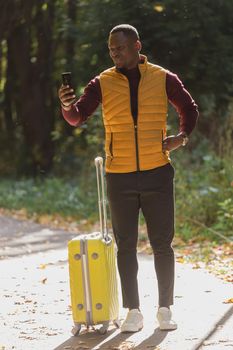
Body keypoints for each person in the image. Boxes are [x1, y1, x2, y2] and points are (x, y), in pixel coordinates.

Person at [58, 24, 199, 333]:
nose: (115, 53)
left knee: (162, 244)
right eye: (111, 49)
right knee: (126, 245)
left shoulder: (163, 77)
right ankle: (133, 311)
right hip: (119, 175)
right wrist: (67, 105)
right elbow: (77, 116)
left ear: (137, 46)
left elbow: (189, 108)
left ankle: (165, 309)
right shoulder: (102, 83)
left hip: (157, 172)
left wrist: (182, 137)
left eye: (119, 48)